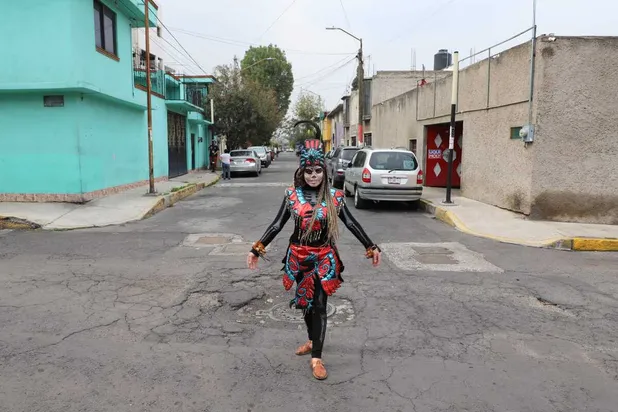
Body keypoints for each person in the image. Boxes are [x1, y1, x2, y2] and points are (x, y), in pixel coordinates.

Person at [246, 120, 381, 381]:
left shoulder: (335, 197)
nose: (313, 176)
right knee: (305, 302)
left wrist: (370, 246)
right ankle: (312, 339)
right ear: (302, 171)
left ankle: (317, 357)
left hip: (324, 257)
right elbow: (277, 224)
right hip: (298, 257)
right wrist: (256, 249)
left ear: (324, 171)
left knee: (319, 304)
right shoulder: (291, 196)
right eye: (308, 171)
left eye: (317, 170)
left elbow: (351, 223)